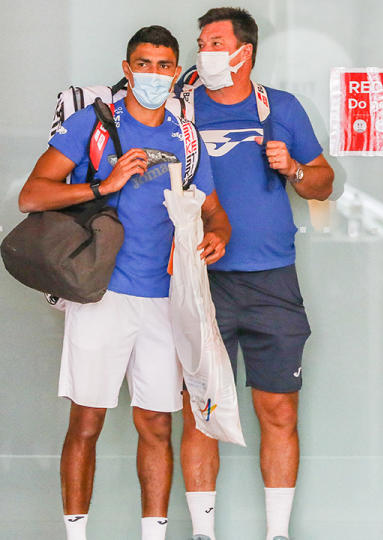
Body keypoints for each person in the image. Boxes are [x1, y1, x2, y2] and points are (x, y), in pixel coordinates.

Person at [18, 26, 228, 540]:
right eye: (143, 64)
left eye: (163, 66)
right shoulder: (95, 123)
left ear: (175, 72)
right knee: (86, 423)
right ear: (127, 67)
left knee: (157, 424)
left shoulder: (185, 137)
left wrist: (218, 236)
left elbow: (215, 213)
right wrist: (103, 184)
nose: (153, 74)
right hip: (101, 295)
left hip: (163, 300)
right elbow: (30, 196)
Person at [178, 8, 335, 540]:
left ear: (244, 52)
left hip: (272, 280)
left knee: (278, 412)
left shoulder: (280, 108)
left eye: (215, 42)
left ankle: (277, 533)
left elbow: (323, 184)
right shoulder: (182, 109)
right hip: (202, 278)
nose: (205, 51)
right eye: (202, 42)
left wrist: (291, 166)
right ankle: (204, 533)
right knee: (202, 411)